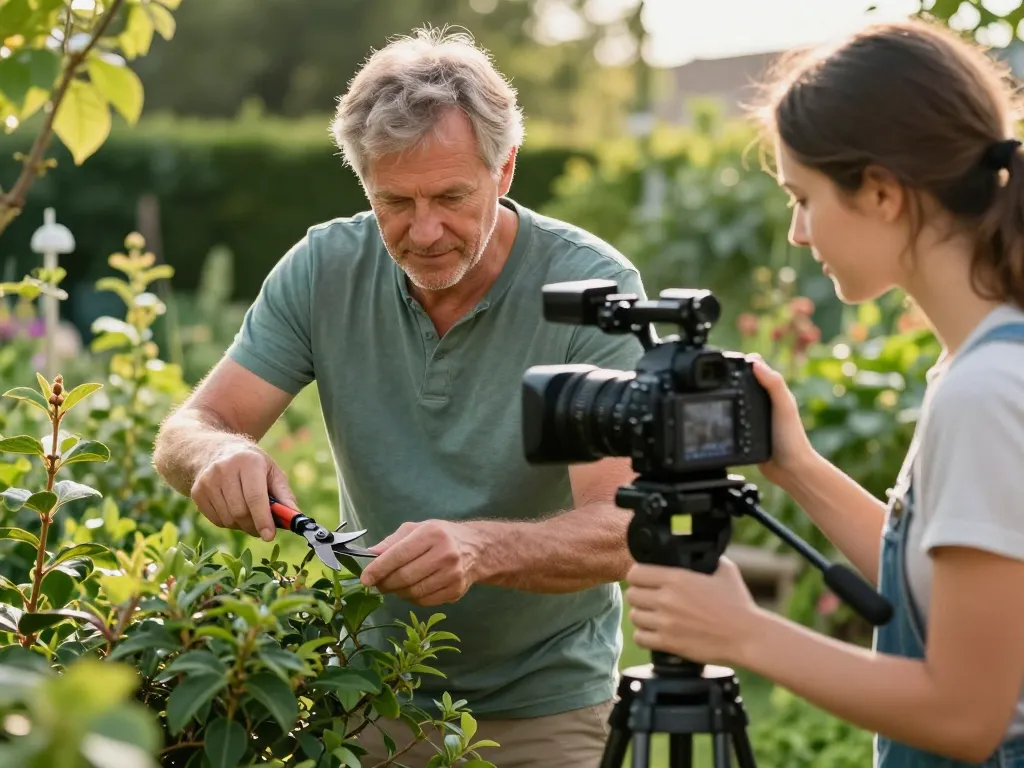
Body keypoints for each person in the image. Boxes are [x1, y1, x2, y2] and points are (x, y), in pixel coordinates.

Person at [153, 26, 646, 768]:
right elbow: (193, 426)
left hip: (545, 707)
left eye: (451, 196)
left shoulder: (592, 294)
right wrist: (216, 452)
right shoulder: (324, 269)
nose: (424, 231)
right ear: (365, 184)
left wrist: (479, 549)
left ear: (504, 169)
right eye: (395, 201)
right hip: (369, 693)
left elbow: (625, 525)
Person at [624, 18, 1024, 768]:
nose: (798, 234)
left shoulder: (989, 390)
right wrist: (797, 467)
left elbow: (970, 712)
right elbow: (948, 595)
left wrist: (743, 633)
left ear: (879, 191)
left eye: (802, 198)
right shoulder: (983, 362)